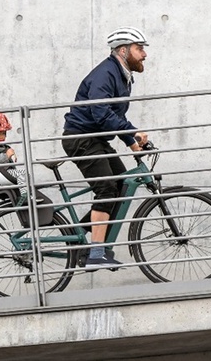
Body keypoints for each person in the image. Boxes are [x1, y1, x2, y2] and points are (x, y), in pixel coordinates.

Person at [62, 26, 149, 267]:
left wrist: (131, 141)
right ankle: (96, 253)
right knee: (106, 190)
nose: (144, 54)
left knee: (121, 184)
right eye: (139, 48)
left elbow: (111, 115)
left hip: (95, 139)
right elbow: (100, 112)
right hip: (81, 139)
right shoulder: (106, 73)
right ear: (123, 50)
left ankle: (78, 235)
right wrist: (131, 133)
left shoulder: (121, 74)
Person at [0, 113, 39, 204]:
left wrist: (9, 153)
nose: (2, 137)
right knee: (23, 174)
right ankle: (25, 197)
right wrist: (7, 155)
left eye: (3, 134)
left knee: (25, 176)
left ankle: (27, 195)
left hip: (2, 172)